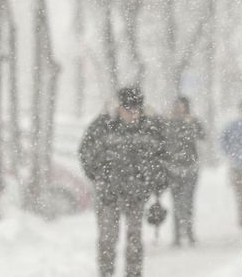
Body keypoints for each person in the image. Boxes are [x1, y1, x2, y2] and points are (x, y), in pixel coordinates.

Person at [79, 87, 167, 277]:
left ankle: (133, 274)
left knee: (134, 239)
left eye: (135, 110)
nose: (132, 114)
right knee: (107, 239)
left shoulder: (150, 128)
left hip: (137, 194)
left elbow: (162, 158)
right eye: (127, 110)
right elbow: (85, 152)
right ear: (119, 108)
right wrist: (98, 175)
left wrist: (157, 185)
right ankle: (106, 273)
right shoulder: (103, 125)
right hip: (108, 194)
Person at [164, 96, 205, 246]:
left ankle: (188, 232)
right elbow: (162, 139)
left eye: (181, 105)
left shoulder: (192, 121)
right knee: (176, 202)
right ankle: (176, 235)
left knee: (188, 201)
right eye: (176, 105)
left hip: (190, 168)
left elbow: (202, 135)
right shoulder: (167, 122)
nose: (178, 108)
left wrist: (192, 123)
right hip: (173, 169)